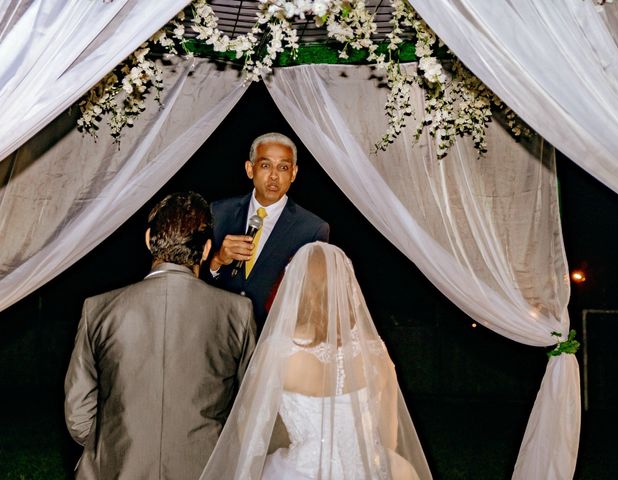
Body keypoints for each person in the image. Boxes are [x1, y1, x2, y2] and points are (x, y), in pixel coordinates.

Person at [198, 242, 432, 479]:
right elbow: (389, 438)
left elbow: (249, 433)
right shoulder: (375, 352)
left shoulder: (280, 351)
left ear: (297, 288)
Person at [64, 192, 256, 479]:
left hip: (116, 469)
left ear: (148, 240)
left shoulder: (100, 309)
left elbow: (78, 411)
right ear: (205, 250)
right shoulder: (237, 312)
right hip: (205, 468)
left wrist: (115, 443)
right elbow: (252, 402)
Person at [208, 132, 329, 328]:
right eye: (265, 165)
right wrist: (217, 261)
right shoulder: (219, 212)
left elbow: (313, 302)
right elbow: (195, 281)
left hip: (272, 340)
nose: (274, 176)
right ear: (250, 169)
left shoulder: (312, 229)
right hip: (218, 330)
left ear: (294, 173)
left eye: (283, 167)